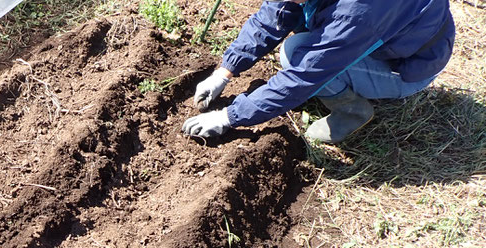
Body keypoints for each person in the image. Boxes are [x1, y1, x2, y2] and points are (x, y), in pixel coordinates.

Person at [182, 0, 454, 143]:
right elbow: (274, 15)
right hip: (389, 30)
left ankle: (353, 111)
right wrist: (225, 72)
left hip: (406, 67)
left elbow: (304, 75)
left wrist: (229, 116)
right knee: (302, 30)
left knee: (294, 54)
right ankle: (344, 80)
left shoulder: (357, 12)